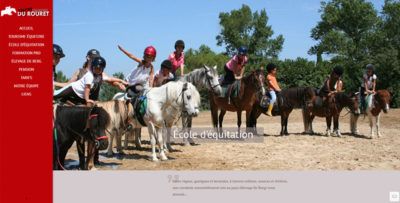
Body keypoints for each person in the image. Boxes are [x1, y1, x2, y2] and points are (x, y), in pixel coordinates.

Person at [54, 49, 127, 91]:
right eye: (93, 57)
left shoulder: (100, 73)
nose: (94, 59)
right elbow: (68, 85)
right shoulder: (80, 71)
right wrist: (54, 83)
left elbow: (111, 81)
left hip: (92, 103)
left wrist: (119, 84)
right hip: (78, 104)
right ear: (88, 58)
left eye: (96, 58)